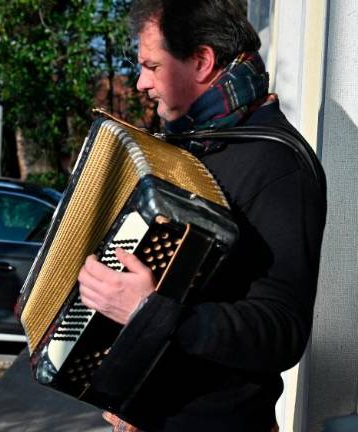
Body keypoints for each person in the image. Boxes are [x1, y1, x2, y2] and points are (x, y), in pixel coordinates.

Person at [77, 1, 327, 431]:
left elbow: (282, 331)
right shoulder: (188, 145)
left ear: (201, 62)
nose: (141, 83)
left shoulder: (277, 164)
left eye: (152, 66)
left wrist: (148, 312)